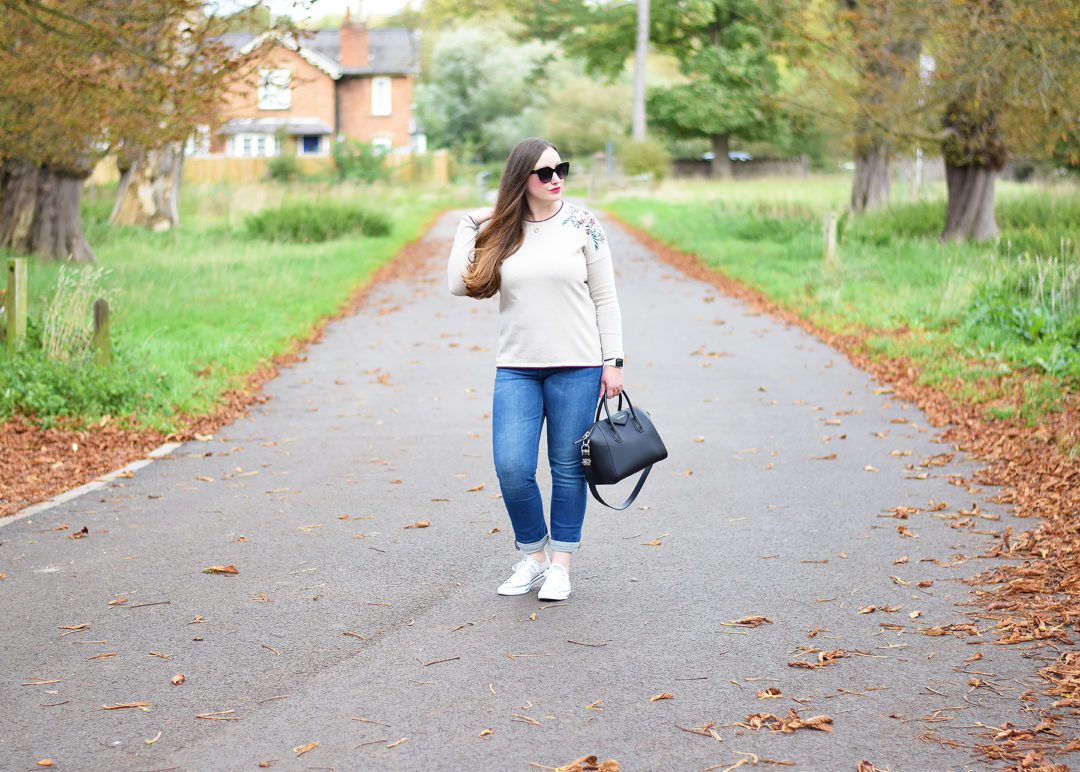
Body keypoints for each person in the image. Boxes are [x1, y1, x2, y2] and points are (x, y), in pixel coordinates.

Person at [447, 138, 624, 601]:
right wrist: (469, 224)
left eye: (560, 169)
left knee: (567, 468)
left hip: (578, 366)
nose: (556, 178)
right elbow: (457, 286)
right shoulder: (504, 232)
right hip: (517, 368)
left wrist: (614, 362)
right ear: (521, 178)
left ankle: (561, 565)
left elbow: (606, 298)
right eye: (544, 172)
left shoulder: (584, 223)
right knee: (511, 467)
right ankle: (534, 558)